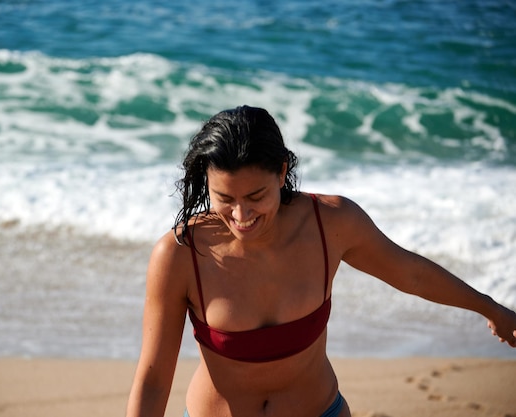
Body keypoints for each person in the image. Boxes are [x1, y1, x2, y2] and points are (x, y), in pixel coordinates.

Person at [126, 105, 516, 417]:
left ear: (282, 173)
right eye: (225, 199)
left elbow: (410, 273)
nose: (241, 215)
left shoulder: (330, 223)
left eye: (256, 196)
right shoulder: (181, 254)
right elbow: (155, 377)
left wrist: (491, 308)